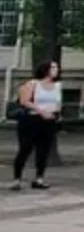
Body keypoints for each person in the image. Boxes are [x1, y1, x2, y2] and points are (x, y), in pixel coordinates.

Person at [11, 61, 62, 191]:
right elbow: (24, 101)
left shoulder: (57, 86)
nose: (57, 69)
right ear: (46, 69)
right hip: (31, 119)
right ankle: (17, 179)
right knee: (25, 148)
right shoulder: (33, 84)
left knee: (43, 150)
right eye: (54, 67)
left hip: (49, 120)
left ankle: (39, 178)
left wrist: (54, 112)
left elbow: (58, 103)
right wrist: (41, 111)